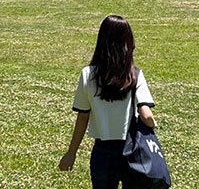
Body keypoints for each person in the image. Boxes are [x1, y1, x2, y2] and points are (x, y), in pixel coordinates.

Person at [59, 14, 156, 188]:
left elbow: (83, 117)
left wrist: (71, 152)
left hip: (102, 152)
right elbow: (146, 115)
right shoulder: (135, 75)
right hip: (131, 150)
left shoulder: (88, 75)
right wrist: (152, 123)